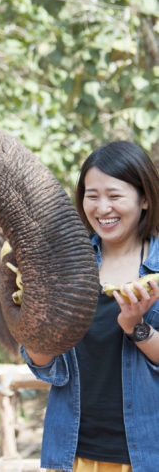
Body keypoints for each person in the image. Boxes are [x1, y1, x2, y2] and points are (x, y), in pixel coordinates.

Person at [22, 140, 159, 472]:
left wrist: (137, 328)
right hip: (73, 453)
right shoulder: (65, 265)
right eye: (91, 195)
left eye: (114, 196)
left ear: (143, 199)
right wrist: (30, 325)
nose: (102, 208)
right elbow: (43, 364)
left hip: (147, 455)